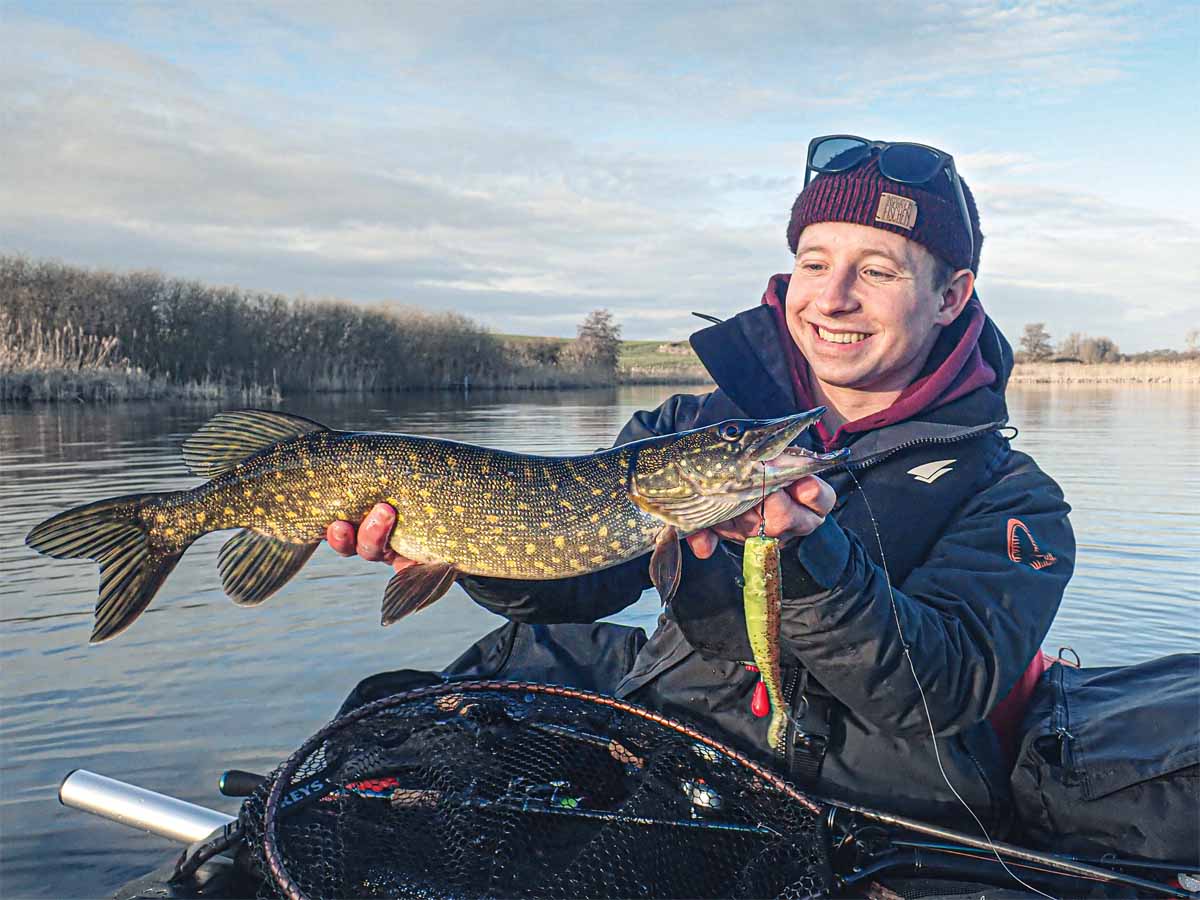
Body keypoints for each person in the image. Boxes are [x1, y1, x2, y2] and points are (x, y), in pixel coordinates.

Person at [326, 135, 1075, 831]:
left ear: (951, 296)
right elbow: (572, 590)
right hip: (673, 779)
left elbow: (942, 688)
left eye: (877, 271)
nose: (832, 297)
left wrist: (812, 563)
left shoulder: (1013, 498)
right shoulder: (685, 433)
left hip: (875, 822)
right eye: (814, 263)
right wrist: (462, 545)